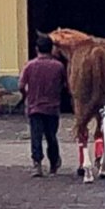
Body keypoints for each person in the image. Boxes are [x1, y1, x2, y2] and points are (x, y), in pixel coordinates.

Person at [18, 33, 67, 176]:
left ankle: (37, 164)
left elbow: (21, 85)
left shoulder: (30, 66)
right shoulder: (59, 66)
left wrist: (26, 94)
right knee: (52, 136)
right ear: (51, 49)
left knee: (36, 136)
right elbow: (66, 85)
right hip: (52, 107)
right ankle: (54, 163)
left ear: (36, 49)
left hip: (34, 107)